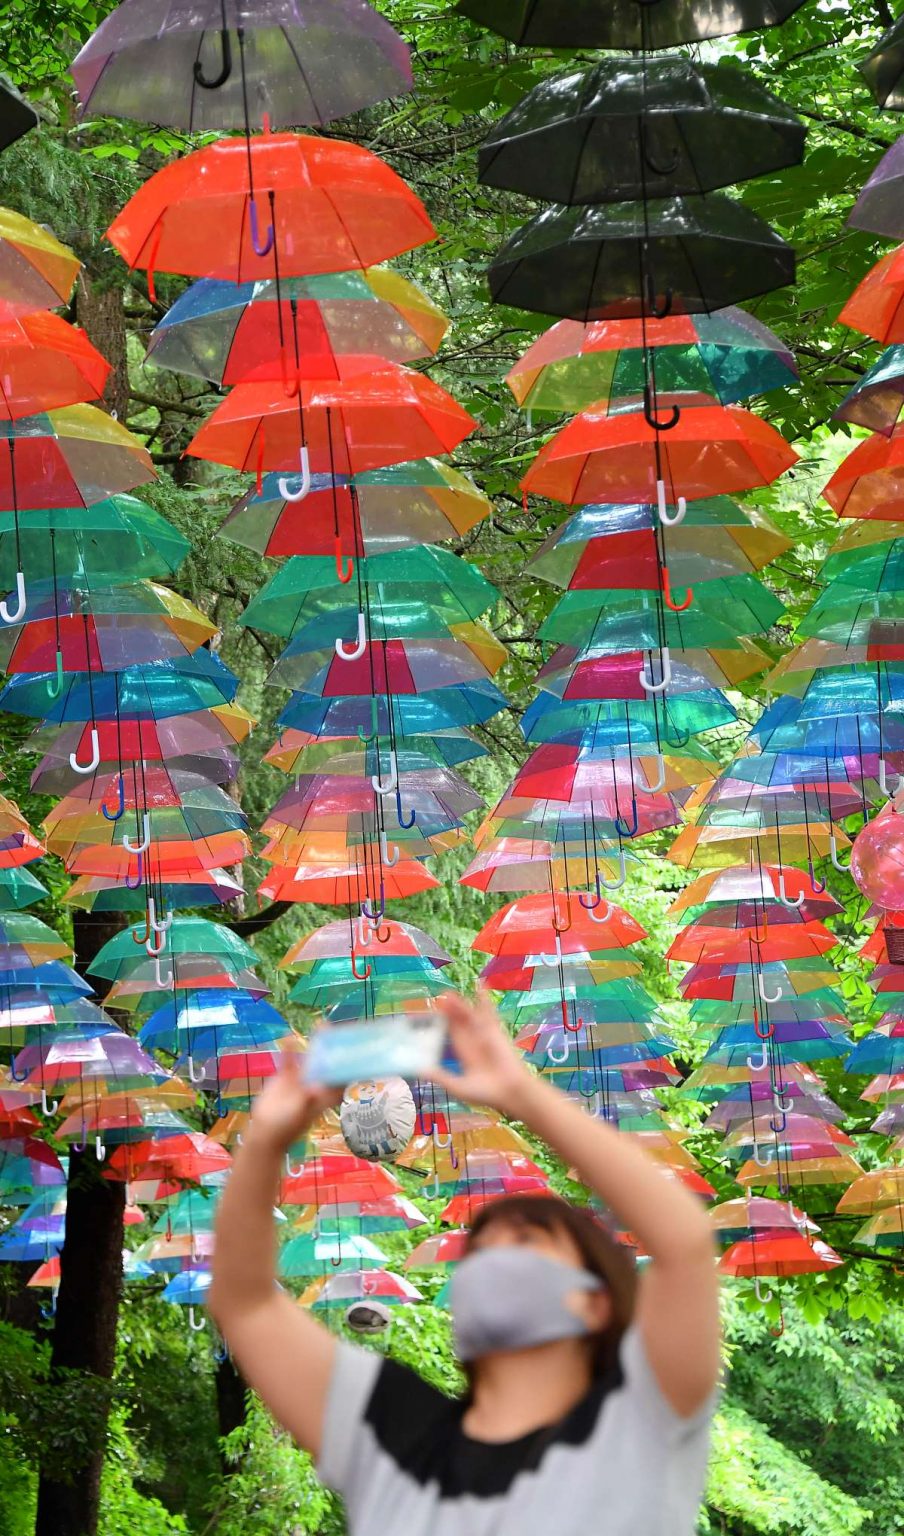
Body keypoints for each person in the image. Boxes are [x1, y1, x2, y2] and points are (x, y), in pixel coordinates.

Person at [210, 990, 721, 1536]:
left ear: (595, 1302)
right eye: (479, 1251)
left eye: (526, 1239)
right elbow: (246, 1304)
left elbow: (685, 1243)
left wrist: (519, 1092)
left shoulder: (641, 1416)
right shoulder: (388, 1435)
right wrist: (265, 1142)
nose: (491, 1257)